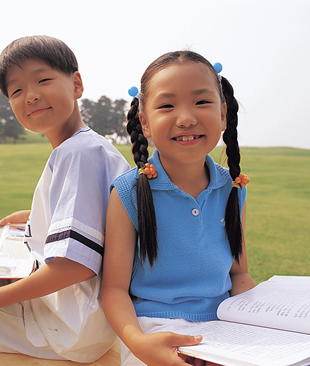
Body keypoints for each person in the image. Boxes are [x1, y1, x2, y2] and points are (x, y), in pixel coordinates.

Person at [0, 35, 130, 362]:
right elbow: (99, 223)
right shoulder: (89, 146)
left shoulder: (78, 153)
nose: (31, 96)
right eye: (16, 90)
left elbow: (76, 265)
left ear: (76, 84)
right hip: (89, 315)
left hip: (71, 323)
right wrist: (38, 218)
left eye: (43, 80)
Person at [101, 50, 256, 366]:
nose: (186, 118)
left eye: (201, 102)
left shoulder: (233, 188)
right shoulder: (129, 191)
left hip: (226, 328)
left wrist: (262, 325)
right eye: (167, 105)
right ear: (144, 122)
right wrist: (139, 344)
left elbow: (240, 274)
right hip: (154, 332)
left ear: (224, 114)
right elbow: (114, 290)